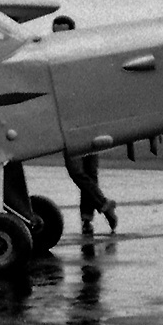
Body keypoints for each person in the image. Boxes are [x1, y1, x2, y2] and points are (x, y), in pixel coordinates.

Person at [52, 14, 118, 235]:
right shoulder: (51, 61)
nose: (59, 38)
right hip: (69, 125)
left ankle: (87, 219)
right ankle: (103, 205)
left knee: (90, 173)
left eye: (64, 33)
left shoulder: (84, 58)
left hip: (91, 122)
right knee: (77, 172)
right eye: (56, 34)